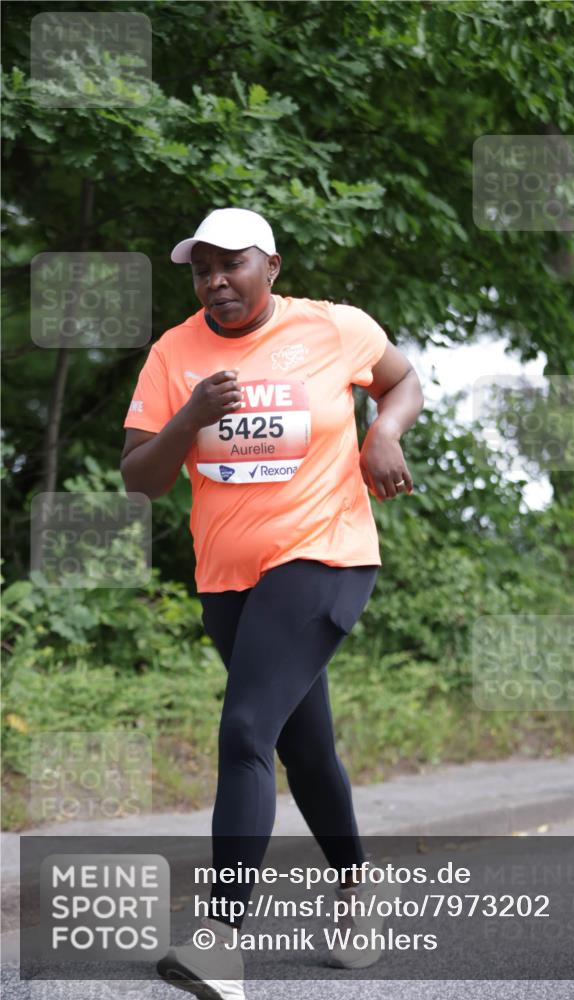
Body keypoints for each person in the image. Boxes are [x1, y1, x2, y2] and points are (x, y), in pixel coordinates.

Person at [120, 207, 424, 999]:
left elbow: (401, 378)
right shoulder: (173, 352)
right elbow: (140, 478)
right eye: (201, 269)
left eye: (232, 265)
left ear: (272, 268)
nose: (215, 280)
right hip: (228, 580)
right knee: (302, 747)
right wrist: (190, 416)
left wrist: (383, 431)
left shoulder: (334, 328)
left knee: (246, 729)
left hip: (324, 555)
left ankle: (221, 939)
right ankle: (360, 887)